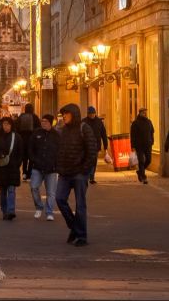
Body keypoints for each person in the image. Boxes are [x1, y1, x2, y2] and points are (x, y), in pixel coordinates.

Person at [55, 104, 98, 247]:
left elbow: (92, 150)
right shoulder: (63, 130)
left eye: (66, 114)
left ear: (73, 114)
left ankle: (81, 236)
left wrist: (84, 170)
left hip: (79, 173)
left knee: (80, 205)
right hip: (65, 173)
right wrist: (58, 167)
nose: (64, 117)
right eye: (63, 114)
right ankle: (74, 227)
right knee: (60, 199)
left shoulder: (84, 128)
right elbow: (59, 151)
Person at [0, 117, 23, 220]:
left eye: (8, 124)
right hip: (1, 168)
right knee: (3, 190)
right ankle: (4, 211)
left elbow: (21, 152)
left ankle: (11, 210)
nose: (6, 126)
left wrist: (17, 164)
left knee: (12, 189)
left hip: (13, 168)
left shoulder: (17, 137)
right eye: (4, 124)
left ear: (11, 125)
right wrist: (0, 155)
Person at [29, 114, 60, 221]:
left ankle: (49, 212)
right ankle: (39, 206)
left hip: (52, 169)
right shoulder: (36, 133)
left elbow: (60, 151)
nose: (43, 123)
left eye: (46, 121)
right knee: (34, 187)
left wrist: (57, 164)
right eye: (42, 121)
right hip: (37, 167)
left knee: (51, 192)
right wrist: (33, 159)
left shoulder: (56, 135)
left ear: (51, 123)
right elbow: (30, 148)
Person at [83, 106, 108, 185]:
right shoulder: (84, 122)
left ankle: (92, 177)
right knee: (87, 161)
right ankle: (86, 176)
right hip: (85, 146)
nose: (92, 115)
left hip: (95, 146)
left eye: (93, 114)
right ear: (88, 114)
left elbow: (103, 134)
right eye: (90, 114)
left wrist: (105, 146)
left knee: (93, 162)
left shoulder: (99, 122)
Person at [130, 108, 155, 184]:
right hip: (139, 145)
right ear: (140, 113)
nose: (145, 114)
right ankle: (144, 177)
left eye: (145, 113)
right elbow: (133, 135)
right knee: (141, 161)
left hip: (148, 144)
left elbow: (152, 132)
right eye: (143, 113)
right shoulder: (135, 123)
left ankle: (140, 171)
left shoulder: (149, 122)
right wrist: (133, 146)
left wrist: (152, 141)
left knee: (149, 160)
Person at [16, 103, 39, 180]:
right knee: (31, 157)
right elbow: (38, 128)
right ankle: (29, 173)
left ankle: (24, 173)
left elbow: (16, 128)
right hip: (32, 140)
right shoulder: (35, 117)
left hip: (23, 140)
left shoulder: (21, 117)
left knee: (24, 157)